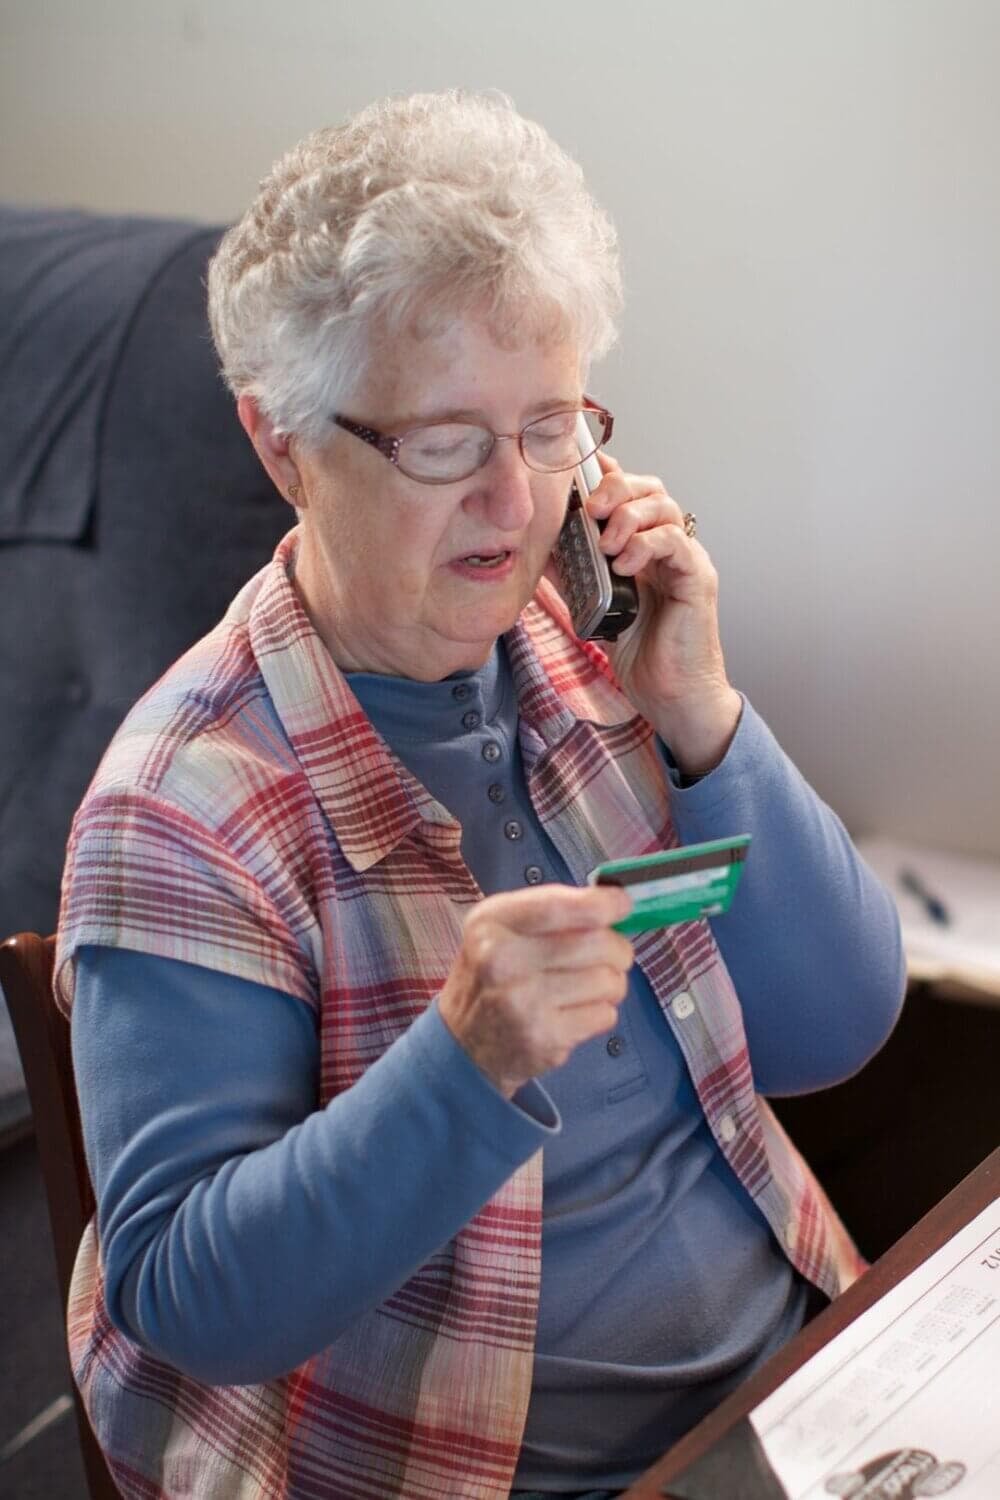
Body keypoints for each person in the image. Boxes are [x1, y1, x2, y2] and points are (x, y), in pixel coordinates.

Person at [56, 90, 905, 1500]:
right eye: (447, 444)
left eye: (554, 426)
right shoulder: (183, 809)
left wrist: (703, 721)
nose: (518, 506)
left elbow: (836, 1030)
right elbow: (184, 1300)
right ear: (284, 446)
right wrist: (461, 1062)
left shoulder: (591, 648)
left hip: (793, 1377)